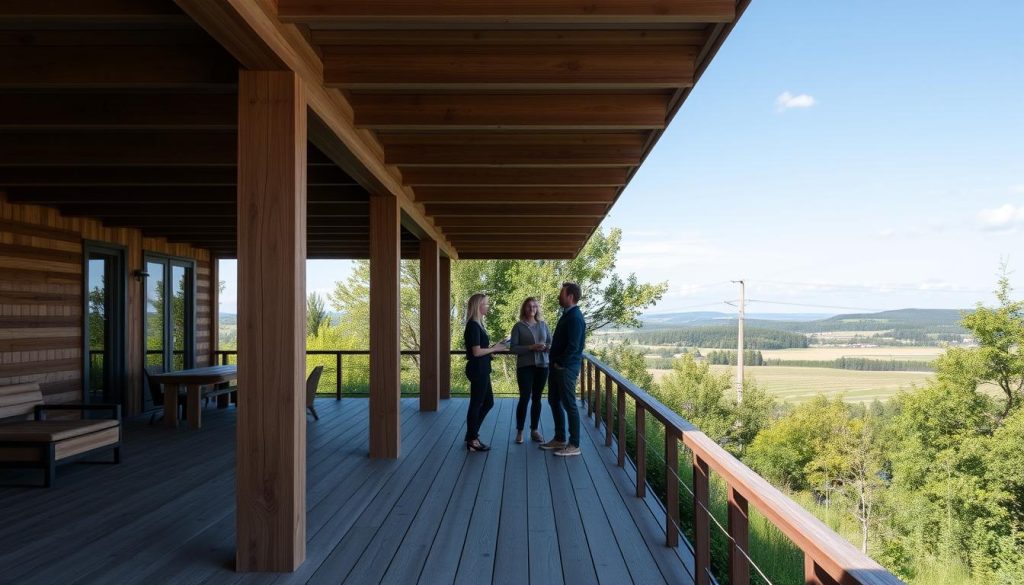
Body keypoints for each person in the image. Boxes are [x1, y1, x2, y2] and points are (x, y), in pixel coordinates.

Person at [541, 282, 586, 457]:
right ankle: (560, 438)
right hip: (558, 367)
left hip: (565, 369)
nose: (559, 296)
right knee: (554, 400)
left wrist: (561, 363)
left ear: (570, 296)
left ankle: (574, 444)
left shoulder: (575, 317)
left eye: (562, 293)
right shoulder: (568, 314)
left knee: (569, 405)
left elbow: (574, 346)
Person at [463, 293, 506, 452]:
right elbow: (475, 352)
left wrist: (494, 347)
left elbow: (481, 349)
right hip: (478, 370)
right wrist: (495, 348)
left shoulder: (478, 325)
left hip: (482, 369)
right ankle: (472, 440)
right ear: (478, 306)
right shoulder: (473, 326)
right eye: (486, 304)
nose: (488, 307)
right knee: (476, 404)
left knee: (488, 402)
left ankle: (471, 435)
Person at [509, 297, 552, 444]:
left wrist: (546, 347)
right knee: (524, 398)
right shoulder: (518, 326)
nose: (532, 308)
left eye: (534, 306)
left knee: (537, 398)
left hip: (543, 366)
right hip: (525, 366)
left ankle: (534, 430)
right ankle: (520, 431)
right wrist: (530, 347)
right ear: (524, 308)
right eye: (529, 306)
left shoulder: (543, 325)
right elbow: (513, 348)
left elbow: (550, 343)